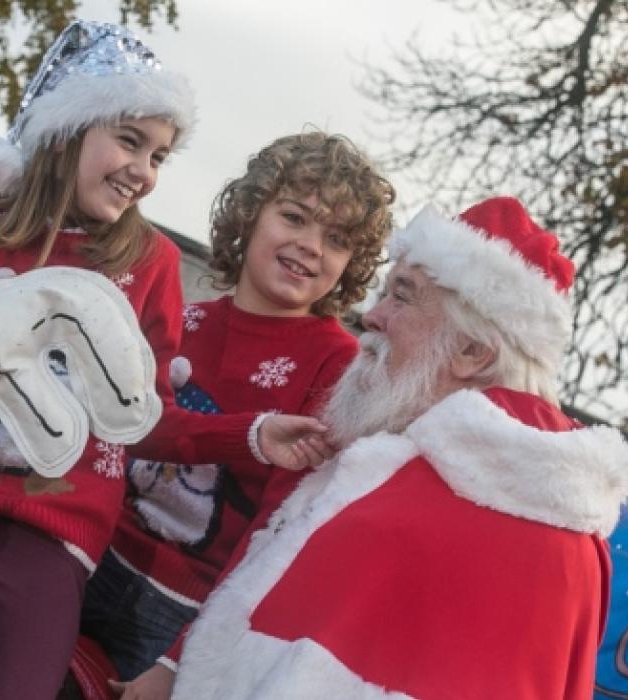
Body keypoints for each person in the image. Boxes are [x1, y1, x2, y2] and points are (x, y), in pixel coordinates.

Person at [0, 20, 327, 700]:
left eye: (160, 155)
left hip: (42, 542)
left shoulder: (149, 263)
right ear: (68, 127)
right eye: (130, 140)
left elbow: (145, 421)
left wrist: (247, 434)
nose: (144, 171)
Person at [166, 196, 628, 699]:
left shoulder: (414, 496)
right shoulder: (564, 523)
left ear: (471, 353)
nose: (372, 317)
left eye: (402, 297)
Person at [80, 131, 396, 699]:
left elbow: (277, 531)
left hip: (180, 613)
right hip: (89, 556)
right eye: (295, 217)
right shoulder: (182, 320)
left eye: (338, 239)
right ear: (250, 213)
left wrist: (178, 663)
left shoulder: (337, 367)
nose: (310, 246)